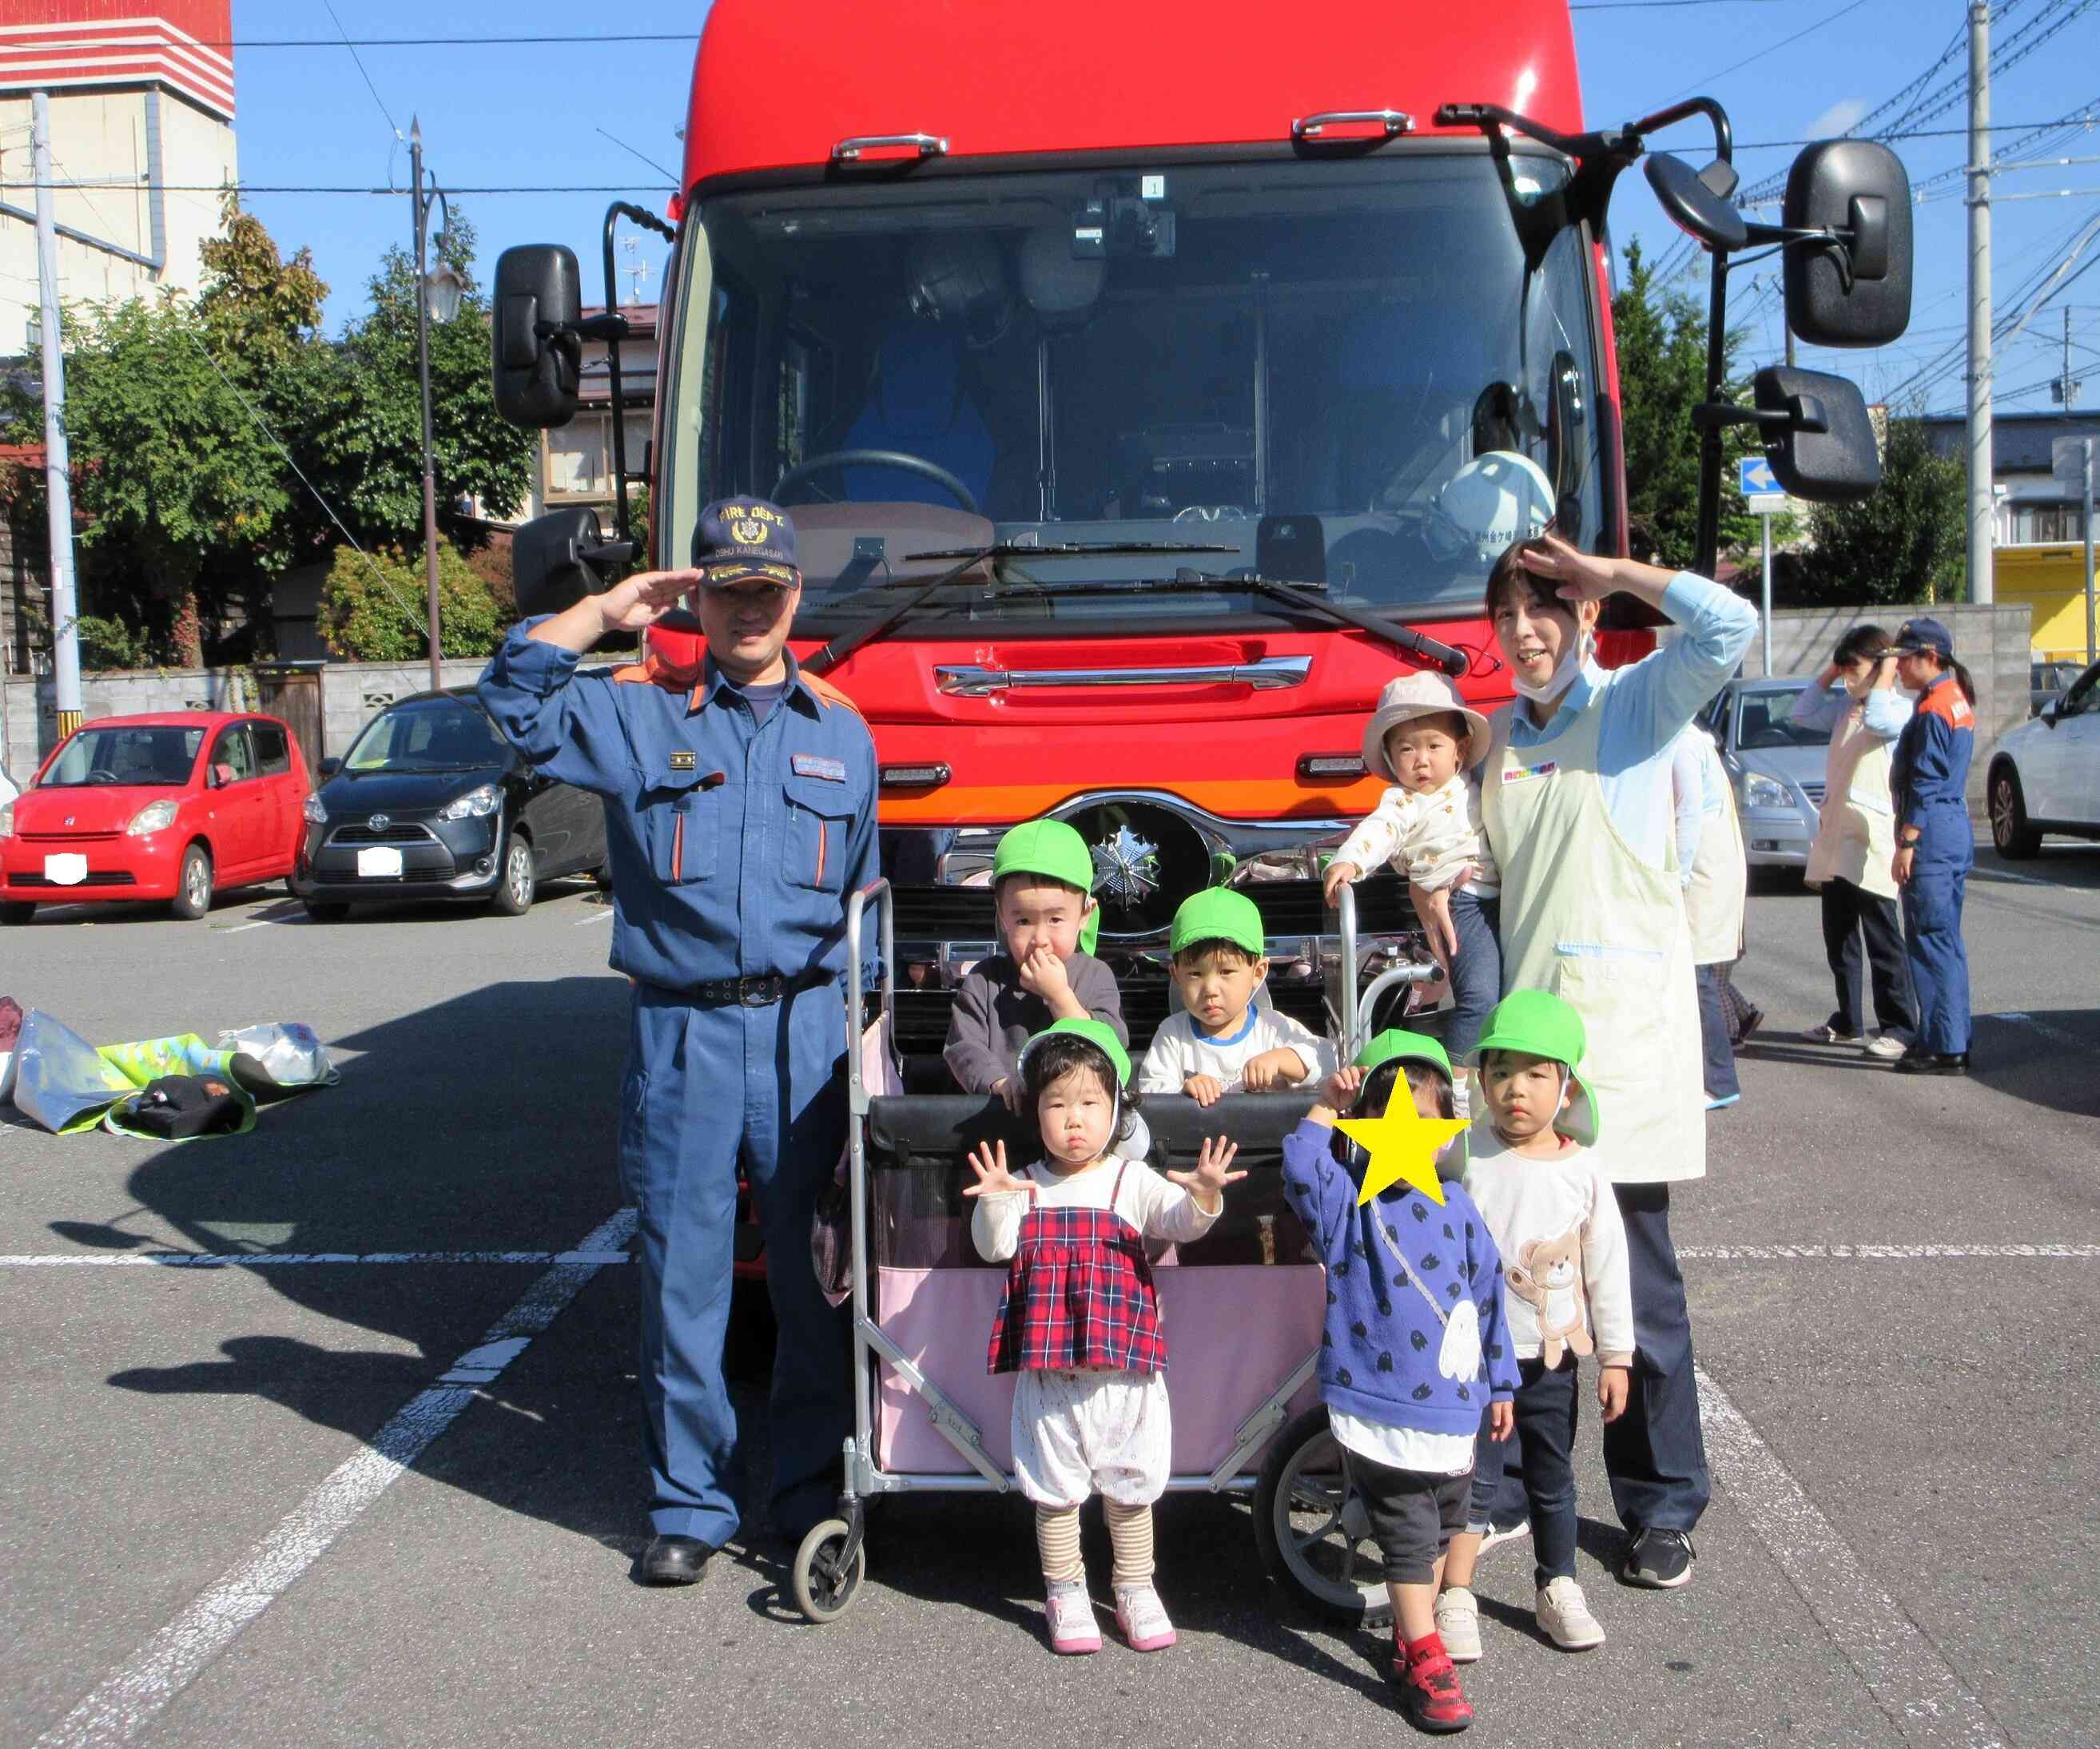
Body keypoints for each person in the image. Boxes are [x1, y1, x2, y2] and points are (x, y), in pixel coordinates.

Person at [477, 499, 877, 1584]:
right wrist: (601, 611)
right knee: (683, 1280)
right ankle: (690, 1504)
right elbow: (512, 703)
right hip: (684, 1030)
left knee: (817, 1283)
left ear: (796, 597)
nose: (749, 606)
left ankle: (802, 1498)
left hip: (804, 1033)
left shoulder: (842, 730)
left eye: (768, 588)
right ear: (696, 593)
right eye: (727, 586)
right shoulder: (639, 712)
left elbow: (860, 901)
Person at [1448, 531, 1754, 1592]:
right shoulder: (1493, 745)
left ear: (1582, 618)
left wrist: (1615, 574)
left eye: (1547, 610)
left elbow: (1730, 627)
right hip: (1529, 1061)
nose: (1525, 633)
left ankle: (1662, 1502)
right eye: (1508, 615)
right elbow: (1480, 893)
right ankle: (1504, 1492)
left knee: (1639, 1294)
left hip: (1623, 1054)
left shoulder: (1635, 710)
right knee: (1512, 1285)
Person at [966, 1019, 1242, 1656]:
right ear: (1035, 1112)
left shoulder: (1130, 1176)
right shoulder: (1028, 1180)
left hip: (1126, 1374)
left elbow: (1181, 1222)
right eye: (1057, 1104)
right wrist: (995, 1203)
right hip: (1049, 1375)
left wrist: (1202, 1197)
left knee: (1130, 1486)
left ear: (1115, 1106)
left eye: (1090, 1102)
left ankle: (1135, 1585)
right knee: (1055, 1493)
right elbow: (995, 1247)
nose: (1074, 1119)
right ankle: (1063, 1588)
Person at [1281, 1030, 1516, 1734]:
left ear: (1446, 1130)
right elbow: (1299, 1164)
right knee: (1412, 1534)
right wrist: (1327, 1103)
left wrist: (1500, 1383)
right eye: (1390, 1119)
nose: (1409, 1134)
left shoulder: (1462, 1209)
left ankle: (1412, 1637)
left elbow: (1489, 1300)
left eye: (1424, 1116)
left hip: (1454, 1406)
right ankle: (1424, 1650)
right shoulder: (1350, 1204)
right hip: (1377, 1398)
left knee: (1445, 1521)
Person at [1438, 992, 1633, 1664]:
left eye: (1535, 1073)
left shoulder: (1583, 1169)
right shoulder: (1465, 1152)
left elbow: (1608, 1266)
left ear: (1567, 1084)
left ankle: (1558, 1584)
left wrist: (1617, 1356)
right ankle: (1455, 1594)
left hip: (1551, 1358)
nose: (1515, 1089)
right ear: (1480, 1080)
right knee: (1472, 1477)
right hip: (1470, 1358)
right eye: (1500, 1072)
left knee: (1553, 1475)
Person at [1323, 671, 1501, 1067]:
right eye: (1406, 750)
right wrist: (1350, 860)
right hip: (1461, 904)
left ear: (1461, 748)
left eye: (1433, 746)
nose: (1421, 760)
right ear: (1390, 757)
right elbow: (1381, 829)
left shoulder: (1474, 780)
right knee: (1480, 995)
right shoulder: (1404, 801)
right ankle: (1456, 1072)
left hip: (1498, 899)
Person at [1790, 626, 1918, 1059]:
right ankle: (1848, 1020)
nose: (1848, 677)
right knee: (1839, 938)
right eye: (1844, 669)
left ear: (1882, 666)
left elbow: (1880, 719)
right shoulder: (1846, 708)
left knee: (1883, 941)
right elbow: (1802, 714)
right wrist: (1830, 671)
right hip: (1837, 840)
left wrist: (1883, 673)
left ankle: (1899, 1027)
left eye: (1854, 668)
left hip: (1872, 841)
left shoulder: (1899, 710)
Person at [944, 818, 1126, 1106]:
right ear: (1002, 916)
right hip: (1004, 1119)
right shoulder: (984, 980)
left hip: (1078, 1128)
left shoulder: (1095, 976)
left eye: (1055, 919)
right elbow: (963, 1046)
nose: (1039, 938)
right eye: (1023, 921)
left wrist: (1060, 997)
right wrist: (997, 1082)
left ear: (1084, 915)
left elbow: (1112, 1050)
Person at [1137, 888, 1335, 1104]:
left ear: (1257, 973)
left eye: (1226, 972)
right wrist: (1184, 1090)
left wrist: (1281, 1060)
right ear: (1176, 976)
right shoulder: (1173, 1035)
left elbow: (1327, 1060)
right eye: (1195, 974)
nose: (1210, 989)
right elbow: (1150, 1091)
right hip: (1198, 1137)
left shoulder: (1272, 1029)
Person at [1887, 617, 1977, 1076]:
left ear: (1932, 657)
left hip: (1933, 835)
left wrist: (1907, 842)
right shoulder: (1954, 700)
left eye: (1906, 658)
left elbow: (1925, 781)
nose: (1898, 666)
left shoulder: (1932, 709)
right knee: (1946, 941)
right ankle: (1950, 1036)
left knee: (1929, 940)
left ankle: (1944, 1046)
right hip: (1954, 829)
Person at [1668, 725, 1748, 1108]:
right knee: (1700, 979)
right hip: (1710, 871)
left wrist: (1676, 881)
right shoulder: (1695, 740)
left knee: (1698, 980)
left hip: (1700, 876)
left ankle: (1718, 1082)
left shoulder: (1683, 744)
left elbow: (1687, 816)